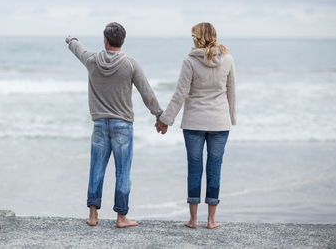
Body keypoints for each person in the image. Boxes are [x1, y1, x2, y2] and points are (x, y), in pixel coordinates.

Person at [66, 22, 163, 228]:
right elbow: (147, 93)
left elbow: (78, 49)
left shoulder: (92, 60)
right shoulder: (130, 64)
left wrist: (70, 39)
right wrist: (160, 116)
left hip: (100, 125)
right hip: (123, 126)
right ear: (122, 40)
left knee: (96, 170)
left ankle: (93, 216)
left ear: (105, 40)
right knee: (122, 172)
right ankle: (121, 218)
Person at [155, 22, 236, 229]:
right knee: (214, 169)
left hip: (194, 122)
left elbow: (180, 94)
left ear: (197, 37)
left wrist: (165, 120)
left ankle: (192, 220)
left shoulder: (189, 61)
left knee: (194, 169)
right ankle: (210, 221)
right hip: (220, 123)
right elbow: (231, 93)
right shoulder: (227, 60)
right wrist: (231, 119)